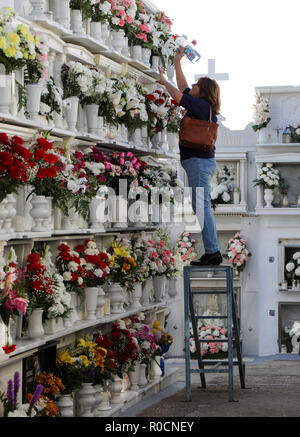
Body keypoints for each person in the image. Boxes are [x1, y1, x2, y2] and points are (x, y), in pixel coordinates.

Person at [156, 47, 222, 266]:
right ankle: (211, 250)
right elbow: (183, 88)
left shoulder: (203, 106)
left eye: (196, 85)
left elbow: (177, 94)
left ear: (203, 91)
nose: (191, 86)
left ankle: (213, 252)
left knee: (202, 207)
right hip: (198, 163)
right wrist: (177, 62)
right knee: (200, 206)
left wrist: (164, 81)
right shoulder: (201, 106)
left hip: (199, 163)